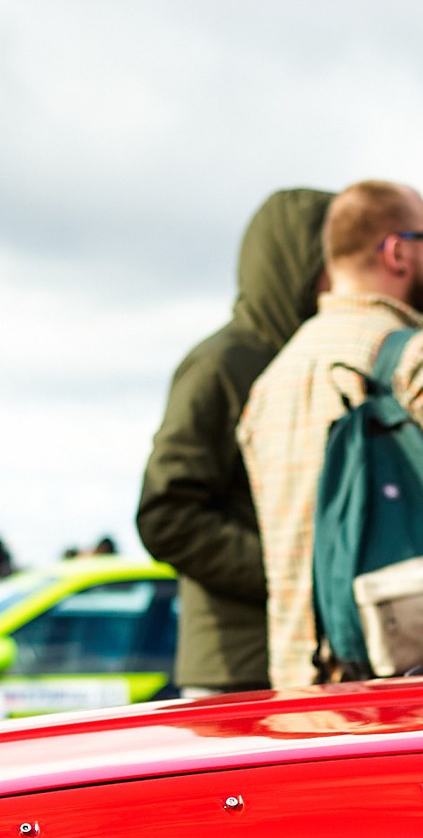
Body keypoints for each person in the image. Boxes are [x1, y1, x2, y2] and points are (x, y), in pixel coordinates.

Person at [238, 180, 423, 687]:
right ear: (397, 251)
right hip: (402, 681)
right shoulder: (413, 355)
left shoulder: (272, 380)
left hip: (294, 679)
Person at [136, 188, 332, 697]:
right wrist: (290, 574)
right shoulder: (220, 364)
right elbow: (167, 515)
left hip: (309, 659)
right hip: (237, 667)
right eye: (335, 259)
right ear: (300, 264)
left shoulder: (323, 360)